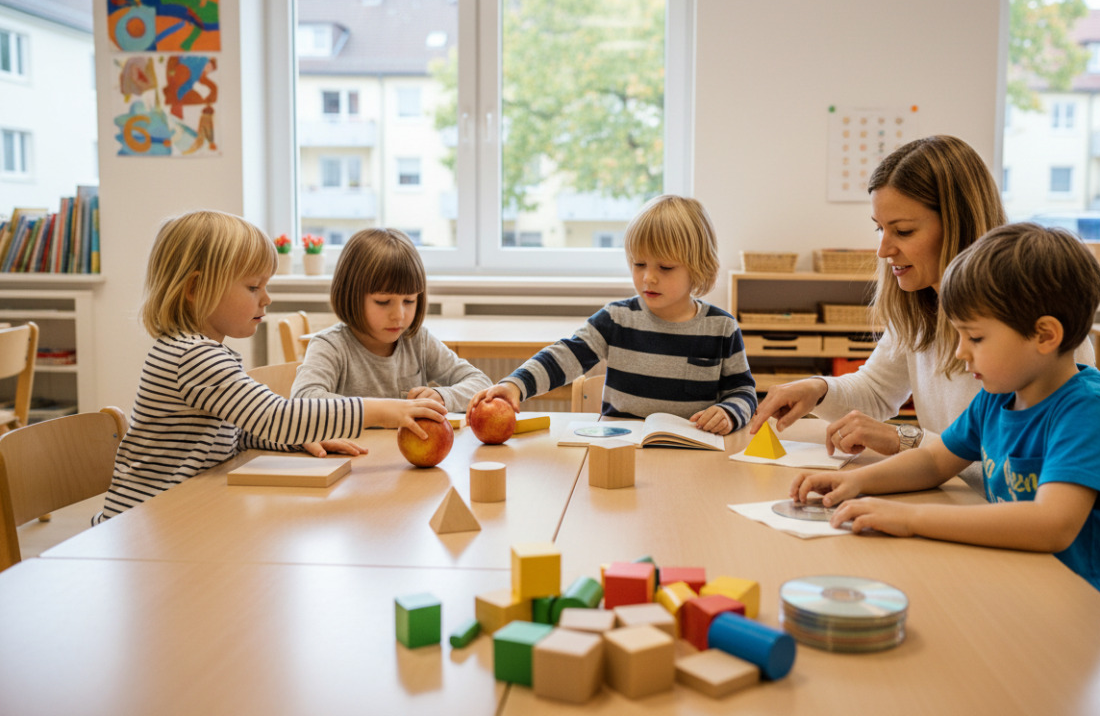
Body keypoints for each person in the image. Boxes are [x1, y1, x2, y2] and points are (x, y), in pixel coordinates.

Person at [790, 222, 1100, 632]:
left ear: (1045, 335)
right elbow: (932, 461)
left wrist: (911, 519)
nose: (960, 352)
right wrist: (857, 483)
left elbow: (1050, 525)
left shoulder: (1089, 411)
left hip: (1091, 618)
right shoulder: (998, 397)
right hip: (1023, 594)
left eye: (975, 337)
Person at [750, 135, 1093, 475]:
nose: (883, 250)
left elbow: (1019, 471)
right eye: (880, 229)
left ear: (958, 225)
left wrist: (905, 440)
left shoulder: (1030, 332)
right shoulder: (922, 305)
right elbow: (877, 390)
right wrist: (819, 389)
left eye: (903, 231)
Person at [96, 211, 446, 522]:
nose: (266, 298)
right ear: (195, 287)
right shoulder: (192, 356)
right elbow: (275, 416)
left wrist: (299, 440)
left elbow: (234, 433)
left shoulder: (202, 352)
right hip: (143, 520)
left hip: (180, 511)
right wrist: (384, 410)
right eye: (253, 286)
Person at [467, 194, 757, 435]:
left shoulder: (721, 328)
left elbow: (743, 392)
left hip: (690, 454)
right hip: (620, 451)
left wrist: (729, 413)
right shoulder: (617, 318)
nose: (648, 278)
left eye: (665, 268)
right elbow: (565, 356)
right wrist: (515, 385)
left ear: (698, 267)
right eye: (639, 264)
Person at [292, 228, 490, 412]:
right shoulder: (331, 347)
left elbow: (481, 383)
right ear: (350, 294)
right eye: (383, 301)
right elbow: (302, 401)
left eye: (409, 300)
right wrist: (382, 412)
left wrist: (443, 396)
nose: (399, 315)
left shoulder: (417, 341)